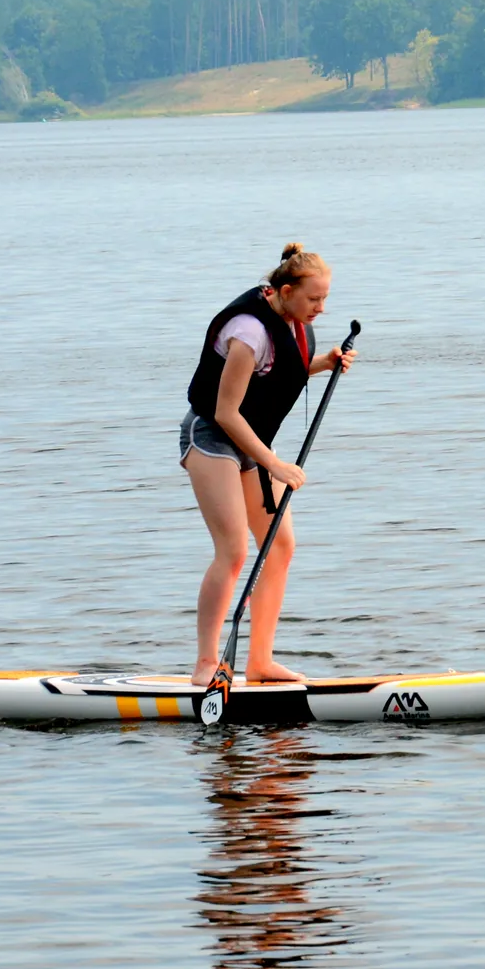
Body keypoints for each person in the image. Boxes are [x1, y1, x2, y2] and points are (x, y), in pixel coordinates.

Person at [182, 244, 355, 687]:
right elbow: (225, 412)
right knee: (235, 550)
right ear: (284, 291)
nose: (321, 307)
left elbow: (280, 371)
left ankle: (259, 663)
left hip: (251, 444)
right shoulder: (249, 332)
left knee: (280, 546)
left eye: (325, 298)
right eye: (314, 299)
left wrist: (324, 363)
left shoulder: (291, 322)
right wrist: (275, 464)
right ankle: (206, 663)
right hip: (212, 439)